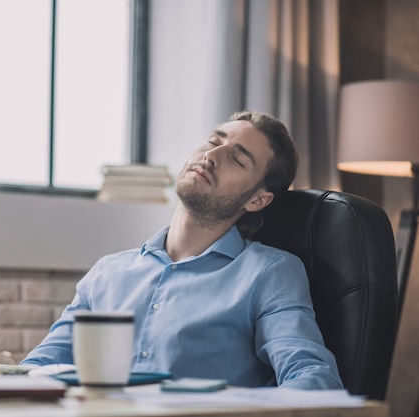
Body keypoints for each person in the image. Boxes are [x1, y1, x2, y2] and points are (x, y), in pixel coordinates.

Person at [21, 110, 343, 390]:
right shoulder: (108, 273)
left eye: (238, 159)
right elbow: (36, 370)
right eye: (214, 142)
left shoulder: (269, 273)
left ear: (257, 199)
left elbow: (313, 379)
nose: (211, 157)